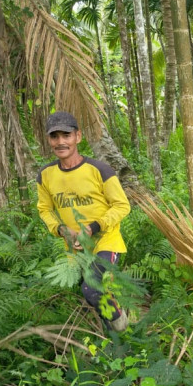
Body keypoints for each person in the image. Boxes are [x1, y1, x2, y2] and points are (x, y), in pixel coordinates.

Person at [37, 111, 131, 331]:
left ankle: (123, 329)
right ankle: (110, 334)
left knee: (93, 289)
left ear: (77, 137)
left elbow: (122, 205)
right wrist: (61, 230)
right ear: (49, 140)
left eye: (66, 135)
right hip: (77, 248)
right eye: (55, 136)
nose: (61, 142)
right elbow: (44, 209)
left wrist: (93, 227)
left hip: (106, 241)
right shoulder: (46, 175)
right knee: (92, 293)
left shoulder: (99, 170)